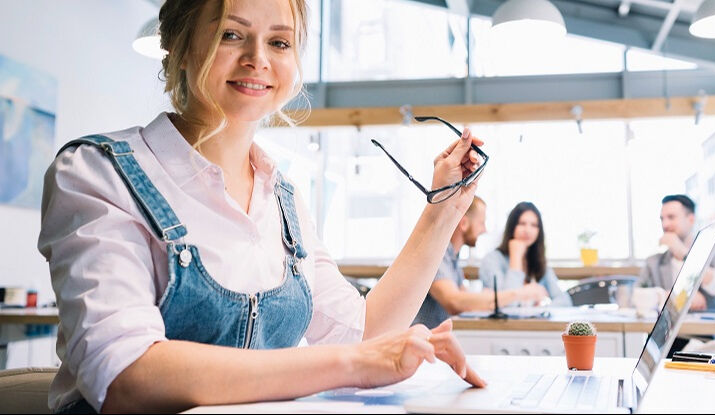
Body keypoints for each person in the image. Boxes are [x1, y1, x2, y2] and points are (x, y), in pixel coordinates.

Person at [36, 0, 486, 412]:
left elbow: (363, 330)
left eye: (279, 42)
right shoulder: (97, 173)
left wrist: (444, 208)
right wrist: (355, 363)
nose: (259, 59)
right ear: (177, 45)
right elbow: (126, 375)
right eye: (231, 34)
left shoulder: (283, 198)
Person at [413, 197, 550, 328]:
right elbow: (454, 302)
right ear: (464, 224)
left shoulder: (452, 258)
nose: (484, 230)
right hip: (420, 343)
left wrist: (488, 297)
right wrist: (521, 293)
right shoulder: (437, 253)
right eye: (481, 223)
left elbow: (467, 302)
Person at [639, 194, 715, 311]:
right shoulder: (653, 262)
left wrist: (685, 255)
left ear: (691, 219)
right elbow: (635, 297)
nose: (665, 225)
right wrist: (677, 297)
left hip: (709, 328)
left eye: (671, 217)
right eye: (662, 219)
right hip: (672, 328)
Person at [479, 202, 573, 307]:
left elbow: (565, 301)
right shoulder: (492, 260)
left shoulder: (538, 262)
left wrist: (541, 309)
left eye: (534, 225)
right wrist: (516, 257)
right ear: (512, 227)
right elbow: (507, 306)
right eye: (522, 223)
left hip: (533, 323)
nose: (528, 230)